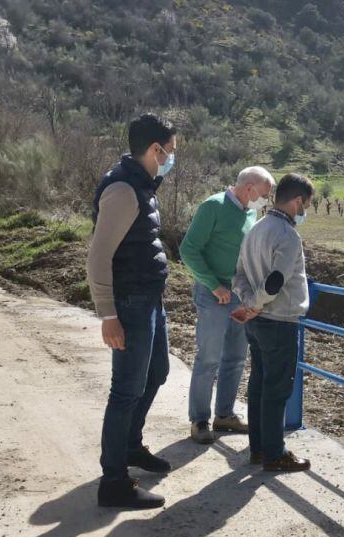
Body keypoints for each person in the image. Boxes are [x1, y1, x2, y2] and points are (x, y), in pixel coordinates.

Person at [85, 113, 178, 509]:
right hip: (130, 303)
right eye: (170, 151)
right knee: (125, 391)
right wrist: (108, 314)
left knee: (157, 373)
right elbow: (98, 256)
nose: (172, 158)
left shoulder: (142, 185)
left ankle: (130, 446)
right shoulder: (123, 191)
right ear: (154, 149)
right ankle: (114, 482)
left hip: (148, 299)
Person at [179, 166, 274, 445]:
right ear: (249, 188)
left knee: (235, 357)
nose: (265, 201)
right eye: (264, 194)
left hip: (238, 295)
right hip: (213, 294)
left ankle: (224, 414)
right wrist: (213, 284)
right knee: (208, 358)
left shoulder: (249, 213)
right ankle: (199, 419)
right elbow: (188, 249)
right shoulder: (213, 207)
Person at [231, 173, 314, 473]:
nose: (306, 211)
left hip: (257, 322)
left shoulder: (255, 228)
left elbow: (238, 274)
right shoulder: (287, 235)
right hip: (279, 321)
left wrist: (248, 303)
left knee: (259, 384)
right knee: (277, 389)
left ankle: (258, 448)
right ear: (297, 201)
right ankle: (274, 453)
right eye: (306, 205)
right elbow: (276, 281)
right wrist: (255, 304)